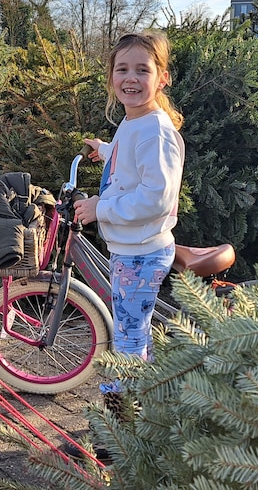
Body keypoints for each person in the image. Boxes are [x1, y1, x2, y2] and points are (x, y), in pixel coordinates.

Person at [67, 32, 185, 461]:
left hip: (142, 252)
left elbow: (157, 196)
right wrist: (106, 149)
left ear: (162, 78)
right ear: (111, 77)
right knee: (134, 336)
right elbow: (129, 157)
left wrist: (102, 207)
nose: (131, 78)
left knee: (129, 342)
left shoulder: (155, 129)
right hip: (131, 251)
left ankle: (117, 438)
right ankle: (147, 416)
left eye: (142, 70)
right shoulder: (134, 123)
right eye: (122, 69)